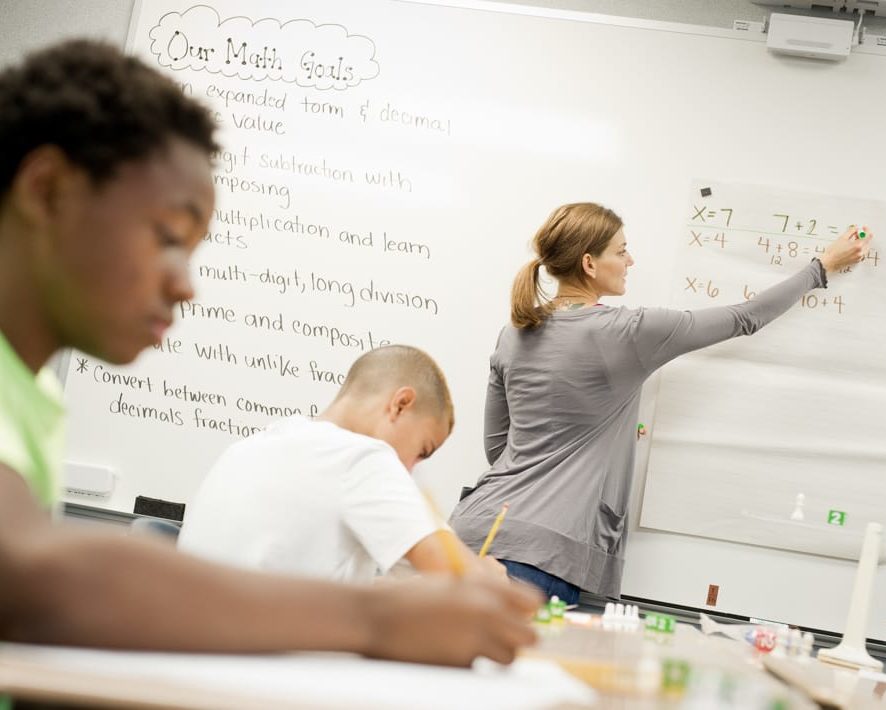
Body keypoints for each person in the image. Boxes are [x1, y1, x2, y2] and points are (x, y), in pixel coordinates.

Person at [0, 39, 540, 681]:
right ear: (48, 189)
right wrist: (378, 618)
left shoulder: (36, 396)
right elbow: (28, 573)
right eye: (169, 237)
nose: (186, 284)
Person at [450, 202, 871, 604]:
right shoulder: (628, 331)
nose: (630, 261)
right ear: (589, 263)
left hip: (468, 534)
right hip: (538, 556)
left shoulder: (515, 332)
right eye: (622, 250)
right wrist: (821, 267)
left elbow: (497, 449)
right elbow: (745, 317)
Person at [180, 345, 505, 582]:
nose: (410, 469)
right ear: (400, 405)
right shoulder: (363, 458)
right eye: (422, 450)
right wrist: (487, 573)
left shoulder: (255, 444)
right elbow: (463, 582)